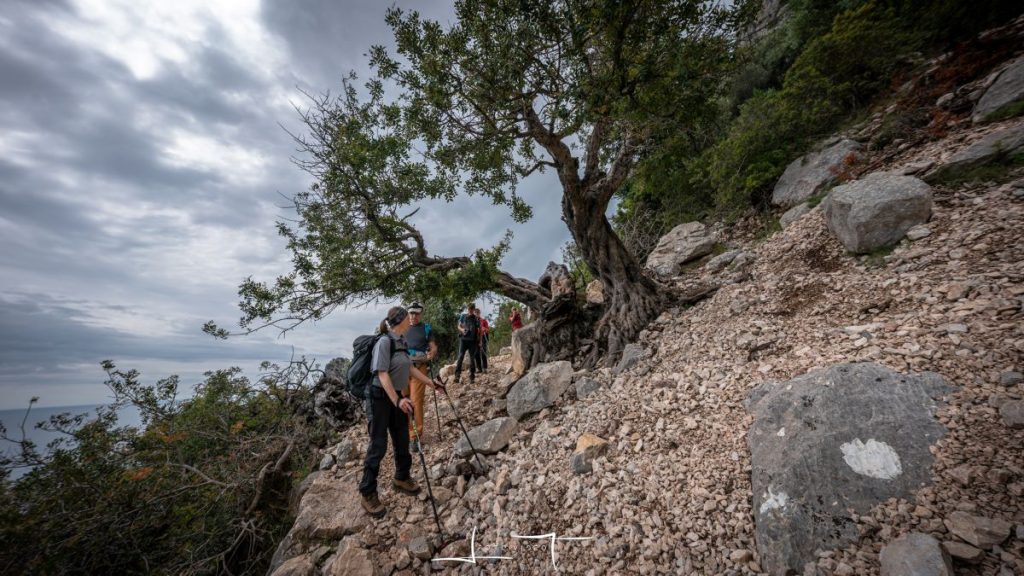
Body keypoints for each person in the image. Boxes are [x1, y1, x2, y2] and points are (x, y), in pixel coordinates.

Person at [359, 305, 442, 518]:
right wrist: (397, 400)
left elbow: (410, 368)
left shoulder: (401, 341)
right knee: (378, 444)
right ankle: (368, 492)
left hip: (395, 396)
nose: (411, 319)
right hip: (379, 397)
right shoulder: (384, 341)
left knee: (402, 437)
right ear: (402, 320)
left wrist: (431, 383)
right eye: (408, 316)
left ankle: (402, 477)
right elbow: (382, 373)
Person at [402, 302, 437, 453]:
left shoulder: (426, 328)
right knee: (403, 400)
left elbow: (433, 346)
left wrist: (432, 353)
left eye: (416, 313)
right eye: (411, 313)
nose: (413, 316)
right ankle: (404, 431)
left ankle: (414, 436)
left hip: (419, 369)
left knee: (416, 401)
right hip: (402, 370)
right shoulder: (402, 328)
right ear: (408, 314)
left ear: (420, 314)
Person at [454, 302, 480, 385]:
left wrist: (480, 341)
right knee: (460, 356)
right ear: (467, 309)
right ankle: (457, 376)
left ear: (474, 309)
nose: (470, 310)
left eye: (472, 309)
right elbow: (458, 326)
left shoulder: (476, 318)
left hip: (472, 341)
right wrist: (462, 330)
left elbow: (480, 330)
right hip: (463, 340)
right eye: (469, 309)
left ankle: (472, 377)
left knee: (472, 359)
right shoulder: (463, 316)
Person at [474, 307, 489, 373]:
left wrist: (484, 329)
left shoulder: (483, 321)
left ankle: (485, 368)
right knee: (476, 353)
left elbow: (488, 330)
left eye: (478, 313)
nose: (477, 314)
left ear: (479, 313)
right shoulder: (472, 322)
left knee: (483, 352)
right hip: (475, 338)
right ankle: (479, 368)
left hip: (483, 337)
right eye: (476, 313)